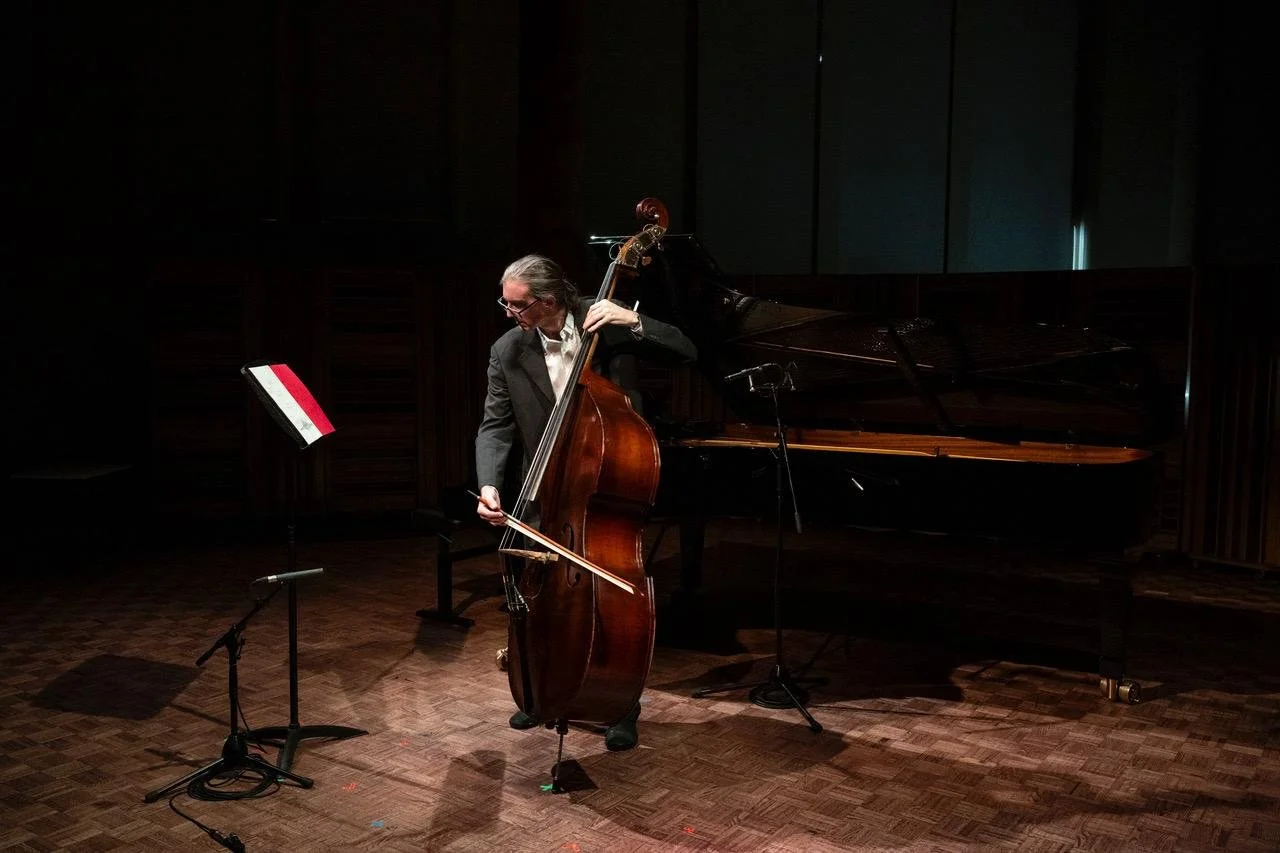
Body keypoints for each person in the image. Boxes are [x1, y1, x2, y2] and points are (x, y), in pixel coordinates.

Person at [474, 253, 697, 751]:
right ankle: (539, 694)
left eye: (518, 306)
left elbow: (687, 350)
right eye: (506, 304)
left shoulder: (605, 324)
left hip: (601, 487)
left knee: (609, 605)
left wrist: (634, 319)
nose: (509, 314)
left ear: (550, 300)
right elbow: (495, 426)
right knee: (538, 603)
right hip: (542, 490)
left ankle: (619, 703)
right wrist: (489, 483)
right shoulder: (508, 349)